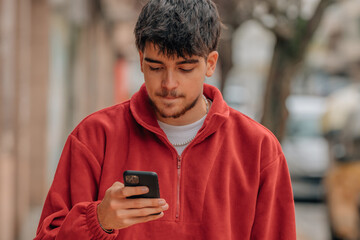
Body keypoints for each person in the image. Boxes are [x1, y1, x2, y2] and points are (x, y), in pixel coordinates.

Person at [34, 0, 296, 239]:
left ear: (211, 63)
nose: (169, 84)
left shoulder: (259, 149)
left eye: (185, 68)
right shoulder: (94, 137)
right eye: (156, 67)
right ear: (140, 60)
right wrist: (98, 221)